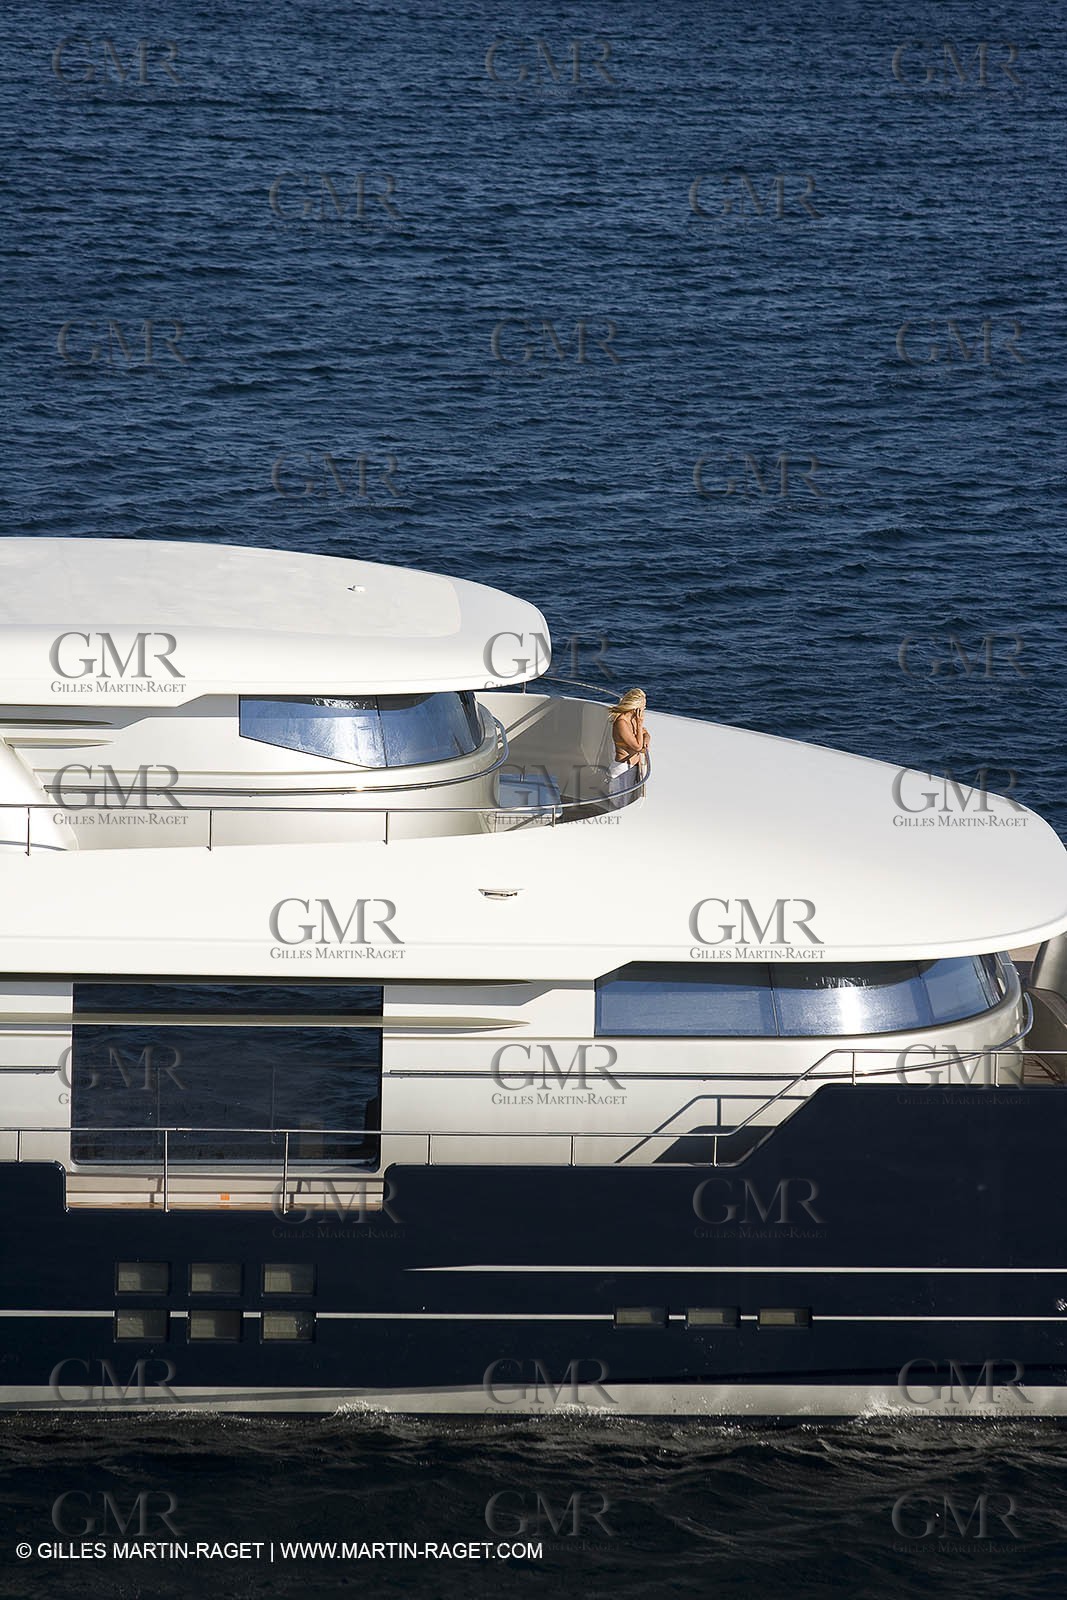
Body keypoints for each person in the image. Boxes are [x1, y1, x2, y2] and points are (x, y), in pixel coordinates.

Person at [607, 688, 649, 807]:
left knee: (627, 803)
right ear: (635, 707)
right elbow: (636, 746)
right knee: (620, 806)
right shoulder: (622, 722)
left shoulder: (632, 719)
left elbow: (646, 733)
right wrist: (640, 723)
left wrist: (646, 740)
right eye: (643, 707)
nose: (644, 710)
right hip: (622, 769)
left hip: (632, 768)